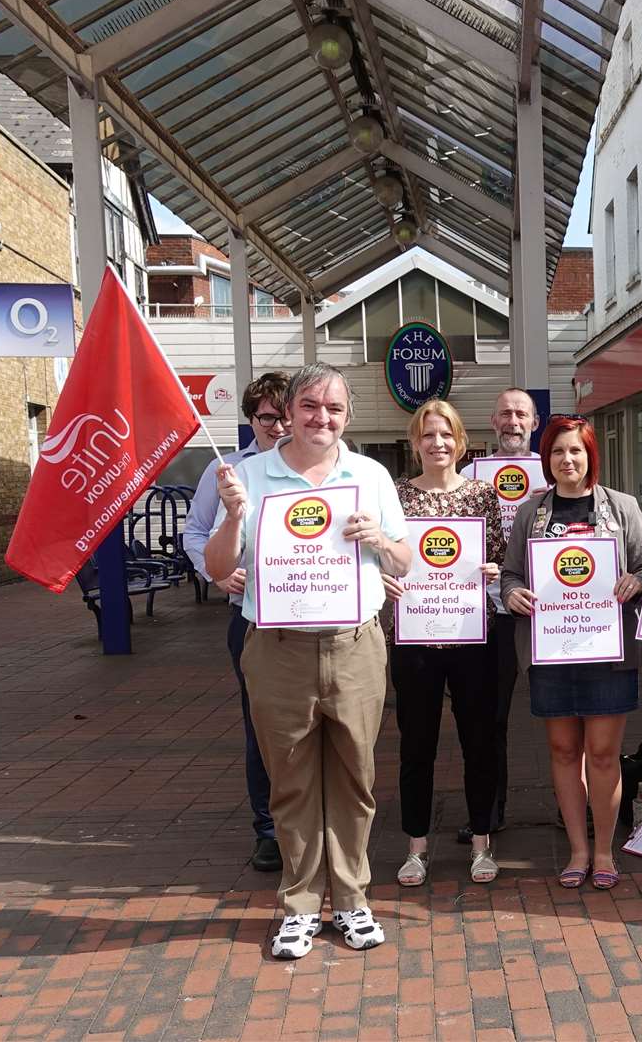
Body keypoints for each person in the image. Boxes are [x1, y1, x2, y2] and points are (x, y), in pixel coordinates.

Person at [206, 363, 411, 956]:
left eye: (335, 409)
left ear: (348, 416)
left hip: (355, 646)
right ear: (289, 412)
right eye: (310, 407)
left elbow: (405, 560)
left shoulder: (370, 476)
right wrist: (235, 515)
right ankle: (299, 904)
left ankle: (350, 900)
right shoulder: (248, 476)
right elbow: (219, 569)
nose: (322, 418)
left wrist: (379, 541)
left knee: (355, 776)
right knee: (290, 779)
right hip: (277, 650)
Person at [500, 414, 642, 892]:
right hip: (552, 652)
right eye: (559, 451)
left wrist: (636, 580)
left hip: (607, 654)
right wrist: (513, 594)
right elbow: (511, 574)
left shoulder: (622, 509)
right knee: (564, 751)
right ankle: (577, 851)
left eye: (576, 451)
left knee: (603, 755)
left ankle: (604, 850)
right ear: (547, 459)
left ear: (590, 456)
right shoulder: (531, 513)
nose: (567, 459)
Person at [384, 401, 507, 886]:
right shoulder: (395, 496)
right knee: (417, 745)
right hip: (415, 637)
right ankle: (416, 848)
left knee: (480, 743)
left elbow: (498, 555)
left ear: (461, 442)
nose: (437, 443)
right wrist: (386, 580)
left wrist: (493, 572)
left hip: (472, 633)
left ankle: (482, 844)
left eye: (446, 435)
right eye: (427, 435)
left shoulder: (482, 497)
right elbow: (385, 558)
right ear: (415, 444)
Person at [181, 371, 291, 874]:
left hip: (313, 619)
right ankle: (268, 830)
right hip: (249, 619)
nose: (280, 425)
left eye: (288, 415)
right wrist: (215, 573)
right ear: (252, 418)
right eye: (269, 416)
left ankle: (313, 823)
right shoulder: (227, 471)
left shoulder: (325, 468)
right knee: (260, 727)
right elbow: (195, 532)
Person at [455, 387, 542, 844]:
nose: (513, 421)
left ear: (534, 422)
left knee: (567, 714)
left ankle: (576, 806)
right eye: (505, 413)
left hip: (552, 610)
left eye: (521, 414)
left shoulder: (557, 472)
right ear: (494, 422)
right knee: (489, 719)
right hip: (491, 610)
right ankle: (487, 813)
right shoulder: (471, 476)